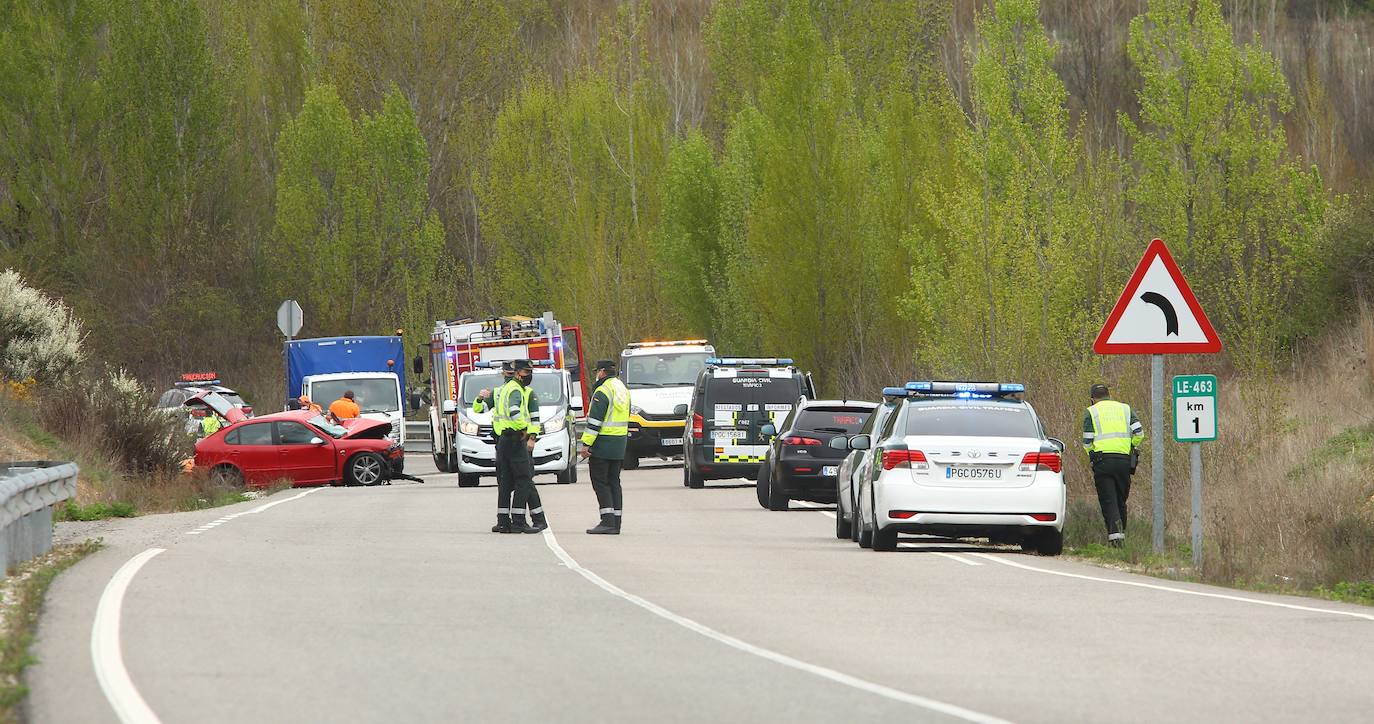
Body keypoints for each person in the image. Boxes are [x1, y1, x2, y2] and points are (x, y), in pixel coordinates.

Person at [1082, 383, 1144, 547]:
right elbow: (1139, 433)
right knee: (1120, 500)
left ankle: (1116, 541)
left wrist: (1092, 454)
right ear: (1109, 395)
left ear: (1092, 399)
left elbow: (1087, 441)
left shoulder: (1091, 411)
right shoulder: (1125, 409)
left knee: (1109, 500)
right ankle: (1121, 538)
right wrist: (1130, 446)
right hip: (1124, 460)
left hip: (1102, 461)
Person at [492, 360, 545, 534]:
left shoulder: (506, 389)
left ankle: (503, 522)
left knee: (506, 481)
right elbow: (514, 411)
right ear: (516, 373)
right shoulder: (516, 389)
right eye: (525, 372)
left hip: (504, 441)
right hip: (515, 439)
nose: (528, 375)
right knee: (523, 479)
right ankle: (518, 522)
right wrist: (526, 429)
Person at [580, 360, 630, 534]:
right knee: (614, 482)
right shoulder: (622, 388)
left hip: (603, 444)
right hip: (619, 443)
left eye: (597, 372)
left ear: (602, 372)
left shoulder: (603, 391)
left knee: (601, 483)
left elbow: (594, 422)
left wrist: (586, 444)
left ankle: (607, 521)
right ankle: (616, 521)